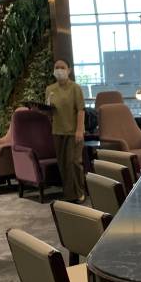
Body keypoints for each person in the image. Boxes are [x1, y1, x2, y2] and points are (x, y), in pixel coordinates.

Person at [45, 58, 86, 202]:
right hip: (57, 131)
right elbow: (49, 111)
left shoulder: (75, 88)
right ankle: (69, 195)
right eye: (56, 67)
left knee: (73, 162)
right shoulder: (50, 89)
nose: (59, 70)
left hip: (73, 132)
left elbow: (81, 110)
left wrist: (79, 130)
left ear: (69, 70)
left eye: (62, 67)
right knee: (63, 164)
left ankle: (79, 192)